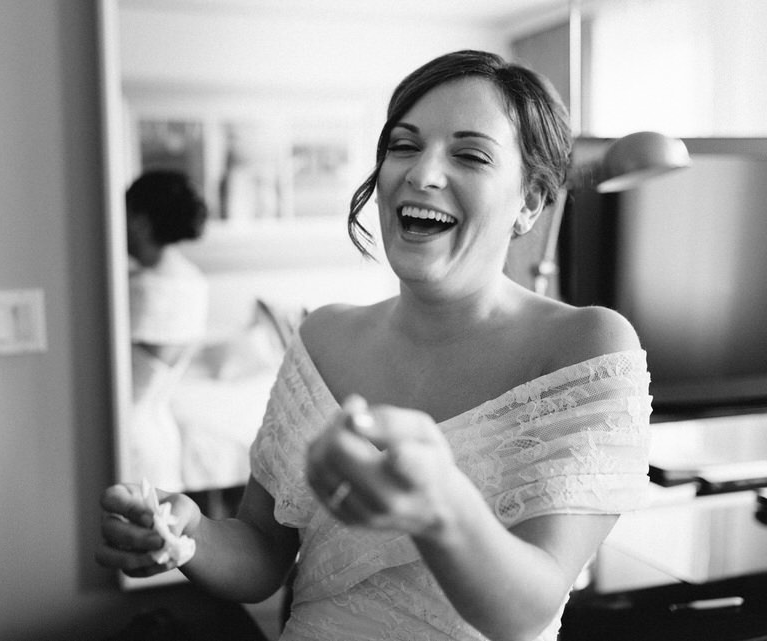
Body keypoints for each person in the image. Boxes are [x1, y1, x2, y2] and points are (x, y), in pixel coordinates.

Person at [97, 50, 651, 641]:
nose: (421, 173)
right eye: (404, 146)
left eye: (469, 154)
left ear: (532, 201)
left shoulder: (585, 348)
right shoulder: (321, 337)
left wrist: (442, 508)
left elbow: (526, 612)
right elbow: (261, 555)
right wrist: (186, 535)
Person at [123, 170, 210, 492]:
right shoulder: (192, 280)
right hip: (160, 432)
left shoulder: (140, 290)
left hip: (128, 434)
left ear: (142, 221)